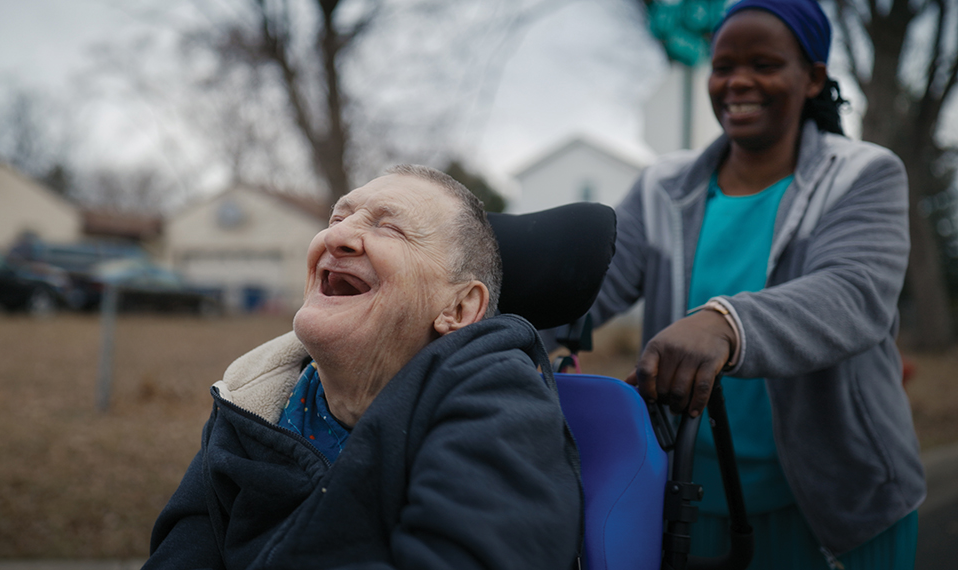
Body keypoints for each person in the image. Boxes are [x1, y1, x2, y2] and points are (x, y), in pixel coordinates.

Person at [583, 0, 925, 567]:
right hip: (687, 504)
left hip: (836, 513)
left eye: (764, 63)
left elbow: (854, 294)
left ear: (813, 76)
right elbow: (590, 289)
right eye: (724, 66)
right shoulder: (662, 187)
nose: (738, 81)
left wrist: (724, 323)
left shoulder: (863, 173)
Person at [144, 164, 583, 570]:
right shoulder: (249, 396)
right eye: (336, 220)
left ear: (460, 307)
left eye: (389, 227)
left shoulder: (500, 402)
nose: (336, 238)